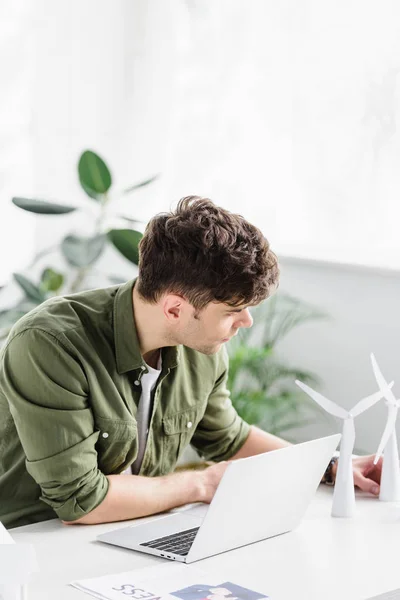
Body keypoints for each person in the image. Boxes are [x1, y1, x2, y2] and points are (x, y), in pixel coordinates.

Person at [0, 196, 382, 529]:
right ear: (175, 308)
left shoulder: (201, 347)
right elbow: (78, 501)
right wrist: (203, 483)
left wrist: (332, 467)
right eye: (233, 310)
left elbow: (228, 437)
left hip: (132, 534)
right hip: (35, 544)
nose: (246, 322)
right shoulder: (49, 345)